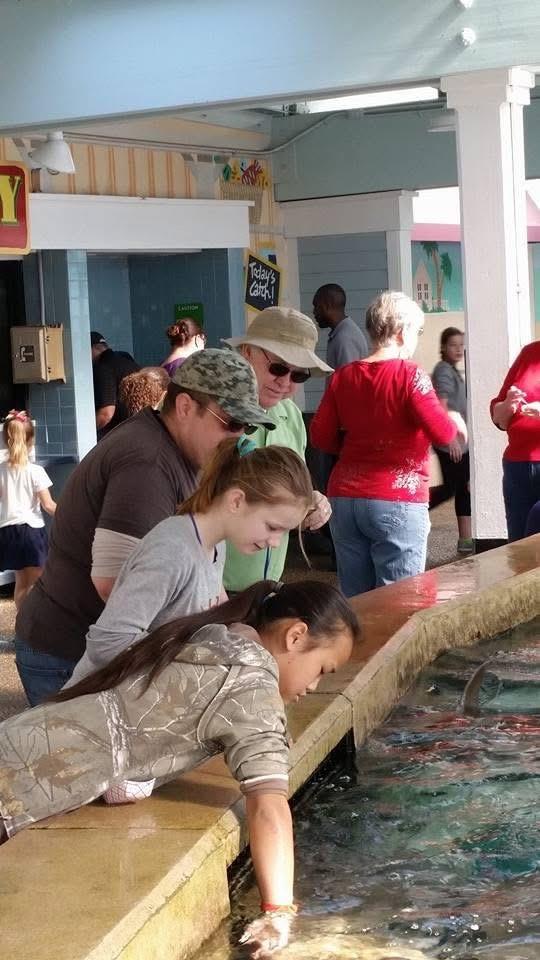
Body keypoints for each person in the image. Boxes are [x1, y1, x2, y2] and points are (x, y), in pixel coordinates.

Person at [0, 579, 359, 958]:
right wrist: (279, 912)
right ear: (296, 636)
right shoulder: (252, 685)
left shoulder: (217, 638)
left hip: (20, 742)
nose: (315, 685)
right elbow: (268, 804)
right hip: (21, 786)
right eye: (323, 668)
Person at [15, 350, 275, 705]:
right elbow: (114, 584)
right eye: (230, 423)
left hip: (90, 647)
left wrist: (226, 623)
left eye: (248, 427)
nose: (239, 436)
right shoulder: (147, 463)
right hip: (68, 652)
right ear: (185, 406)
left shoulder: (187, 455)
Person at [67, 438, 314, 689]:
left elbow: (216, 612)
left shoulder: (215, 544)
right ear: (237, 501)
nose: (275, 542)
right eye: (273, 527)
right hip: (95, 705)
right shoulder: (173, 551)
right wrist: (200, 654)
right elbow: (108, 644)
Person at [310, 291, 467, 598]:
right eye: (417, 332)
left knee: (357, 603)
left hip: (345, 499)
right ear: (400, 332)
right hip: (397, 498)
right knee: (400, 605)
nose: (416, 339)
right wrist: (454, 422)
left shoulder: (344, 377)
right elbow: (443, 435)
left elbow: (320, 437)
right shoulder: (410, 375)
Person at [222, 307, 333, 592]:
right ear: (247, 352)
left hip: (270, 585)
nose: (285, 382)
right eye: (278, 367)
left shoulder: (291, 416)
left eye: (299, 376)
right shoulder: (216, 415)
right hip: (214, 588)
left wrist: (311, 502)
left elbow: (294, 489)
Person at [0, 411, 56, 610]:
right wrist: (71, 515)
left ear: (6, 439)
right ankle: (30, 628)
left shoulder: (1, 470)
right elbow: (48, 505)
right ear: (30, 440)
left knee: (21, 582)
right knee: (36, 583)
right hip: (31, 532)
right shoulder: (35, 471)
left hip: (7, 532)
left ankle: (21, 626)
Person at [490, 340, 540, 541]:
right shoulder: (529, 353)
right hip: (518, 467)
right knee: (518, 546)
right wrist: (508, 405)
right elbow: (498, 417)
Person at [430, 327, 472, 554]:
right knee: (455, 488)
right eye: (453, 345)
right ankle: (415, 510)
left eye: (460, 345)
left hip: (458, 442)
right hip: (451, 443)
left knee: (459, 487)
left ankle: (466, 539)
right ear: (443, 347)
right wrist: (451, 440)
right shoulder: (444, 371)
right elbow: (441, 405)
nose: (458, 349)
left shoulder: (452, 370)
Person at [91, 331, 140, 438]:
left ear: (93, 349)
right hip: (139, 427)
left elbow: (106, 413)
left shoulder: (103, 368)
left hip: (123, 434)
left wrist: (87, 432)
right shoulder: (126, 361)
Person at [312, 283, 370, 368]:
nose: (314, 312)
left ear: (327, 306)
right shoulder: (342, 332)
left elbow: (348, 380)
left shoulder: (345, 339)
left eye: (316, 306)